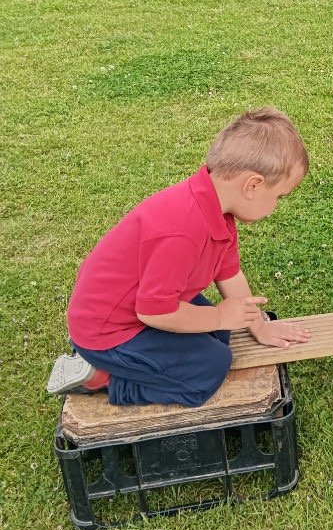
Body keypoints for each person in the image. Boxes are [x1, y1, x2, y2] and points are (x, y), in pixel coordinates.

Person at [46, 108, 311, 406]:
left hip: (138, 308)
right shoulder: (182, 231)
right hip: (109, 330)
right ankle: (102, 377)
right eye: (279, 196)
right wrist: (221, 315)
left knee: (220, 335)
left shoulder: (218, 210)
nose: (275, 206)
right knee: (209, 368)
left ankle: (122, 362)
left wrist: (258, 327)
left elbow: (229, 274)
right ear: (253, 185)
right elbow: (155, 312)